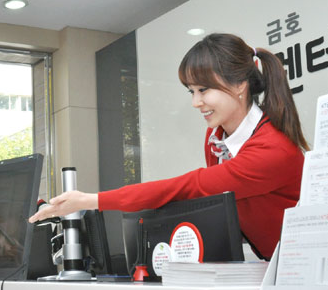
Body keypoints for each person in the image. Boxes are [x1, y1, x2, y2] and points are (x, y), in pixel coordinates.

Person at [30, 33, 308, 260]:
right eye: (192, 91)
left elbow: (187, 188)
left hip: (304, 263)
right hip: (273, 263)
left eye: (203, 90)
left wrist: (91, 200)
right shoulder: (216, 139)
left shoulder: (273, 149)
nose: (196, 102)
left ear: (239, 86)